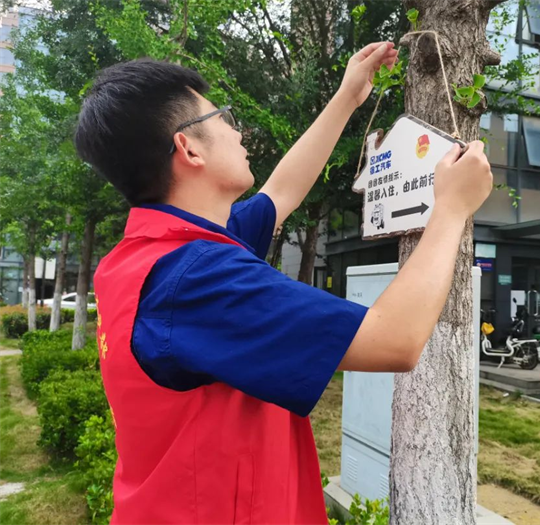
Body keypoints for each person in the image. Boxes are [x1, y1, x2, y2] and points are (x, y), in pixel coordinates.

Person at [74, 41, 493, 525]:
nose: (238, 131)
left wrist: (348, 96)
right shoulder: (196, 279)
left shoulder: (152, 256)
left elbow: (281, 191)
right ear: (188, 147)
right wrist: (453, 210)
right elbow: (394, 339)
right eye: (223, 119)